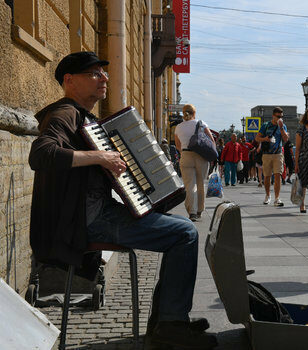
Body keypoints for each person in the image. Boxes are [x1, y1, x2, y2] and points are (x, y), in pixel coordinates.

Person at [28, 51, 216, 348]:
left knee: (181, 230)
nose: (103, 78)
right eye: (94, 73)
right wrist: (99, 156)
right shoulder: (63, 113)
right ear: (69, 80)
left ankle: (168, 320)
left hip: (98, 213)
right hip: (84, 222)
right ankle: (169, 324)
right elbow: (41, 155)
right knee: (184, 234)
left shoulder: (84, 118)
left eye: (103, 72)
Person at [175, 104, 216, 222]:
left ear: (183, 113)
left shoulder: (178, 127)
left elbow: (178, 146)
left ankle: (191, 212)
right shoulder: (201, 123)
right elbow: (211, 141)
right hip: (201, 156)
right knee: (200, 184)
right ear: (194, 113)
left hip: (186, 156)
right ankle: (199, 210)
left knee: (189, 185)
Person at [256, 107, 289, 206]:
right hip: (266, 154)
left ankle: (277, 198)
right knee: (267, 176)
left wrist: (282, 128)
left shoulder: (283, 126)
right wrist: (265, 139)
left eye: (281, 117)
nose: (280, 118)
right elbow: (257, 138)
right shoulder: (266, 125)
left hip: (278, 154)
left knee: (278, 175)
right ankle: (267, 195)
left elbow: (286, 139)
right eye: (278, 116)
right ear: (273, 116)